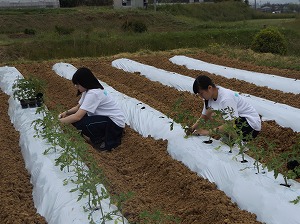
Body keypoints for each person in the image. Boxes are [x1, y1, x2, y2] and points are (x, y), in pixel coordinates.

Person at [59, 67, 126, 151]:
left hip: (114, 123)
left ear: (84, 82)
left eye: (78, 84)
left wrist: (58, 123)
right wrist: (66, 112)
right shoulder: (87, 91)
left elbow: (77, 117)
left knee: (81, 123)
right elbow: (77, 108)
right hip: (105, 118)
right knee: (76, 121)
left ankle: (101, 141)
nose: (76, 87)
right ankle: (98, 135)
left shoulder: (94, 93)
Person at [190, 75, 261, 142]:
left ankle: (238, 143)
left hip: (250, 125)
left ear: (209, 88)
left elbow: (230, 124)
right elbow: (204, 116)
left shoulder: (226, 99)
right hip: (237, 120)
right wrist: (192, 128)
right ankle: (227, 137)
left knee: (216, 115)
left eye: (201, 93)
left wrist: (207, 132)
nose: (201, 96)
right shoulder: (209, 98)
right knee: (211, 113)